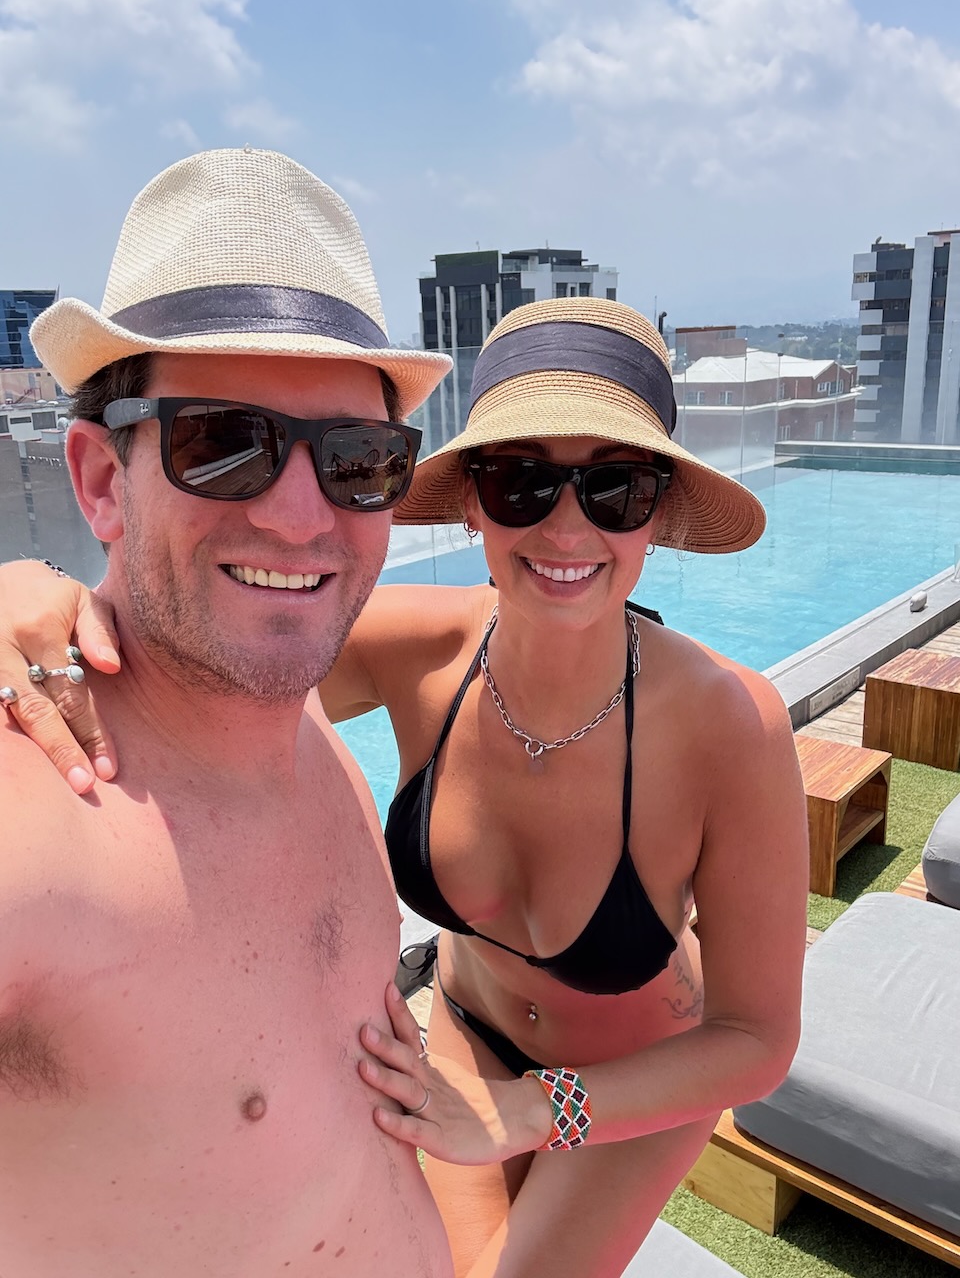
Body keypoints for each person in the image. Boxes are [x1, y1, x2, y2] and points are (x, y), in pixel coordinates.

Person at [0, 300, 810, 1278]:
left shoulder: (732, 723)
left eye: (615, 488)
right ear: (470, 501)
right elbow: (200, 656)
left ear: (659, 516)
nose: (566, 527)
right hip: (463, 1037)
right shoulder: (410, 647)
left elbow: (757, 1038)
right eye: (520, 481)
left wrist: (536, 1110)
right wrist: (32, 591)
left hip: (640, 1077)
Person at [0, 147, 455, 1277]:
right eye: (220, 443)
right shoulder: (34, 821)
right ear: (101, 481)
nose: (302, 518)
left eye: (358, 460)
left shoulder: (306, 725)